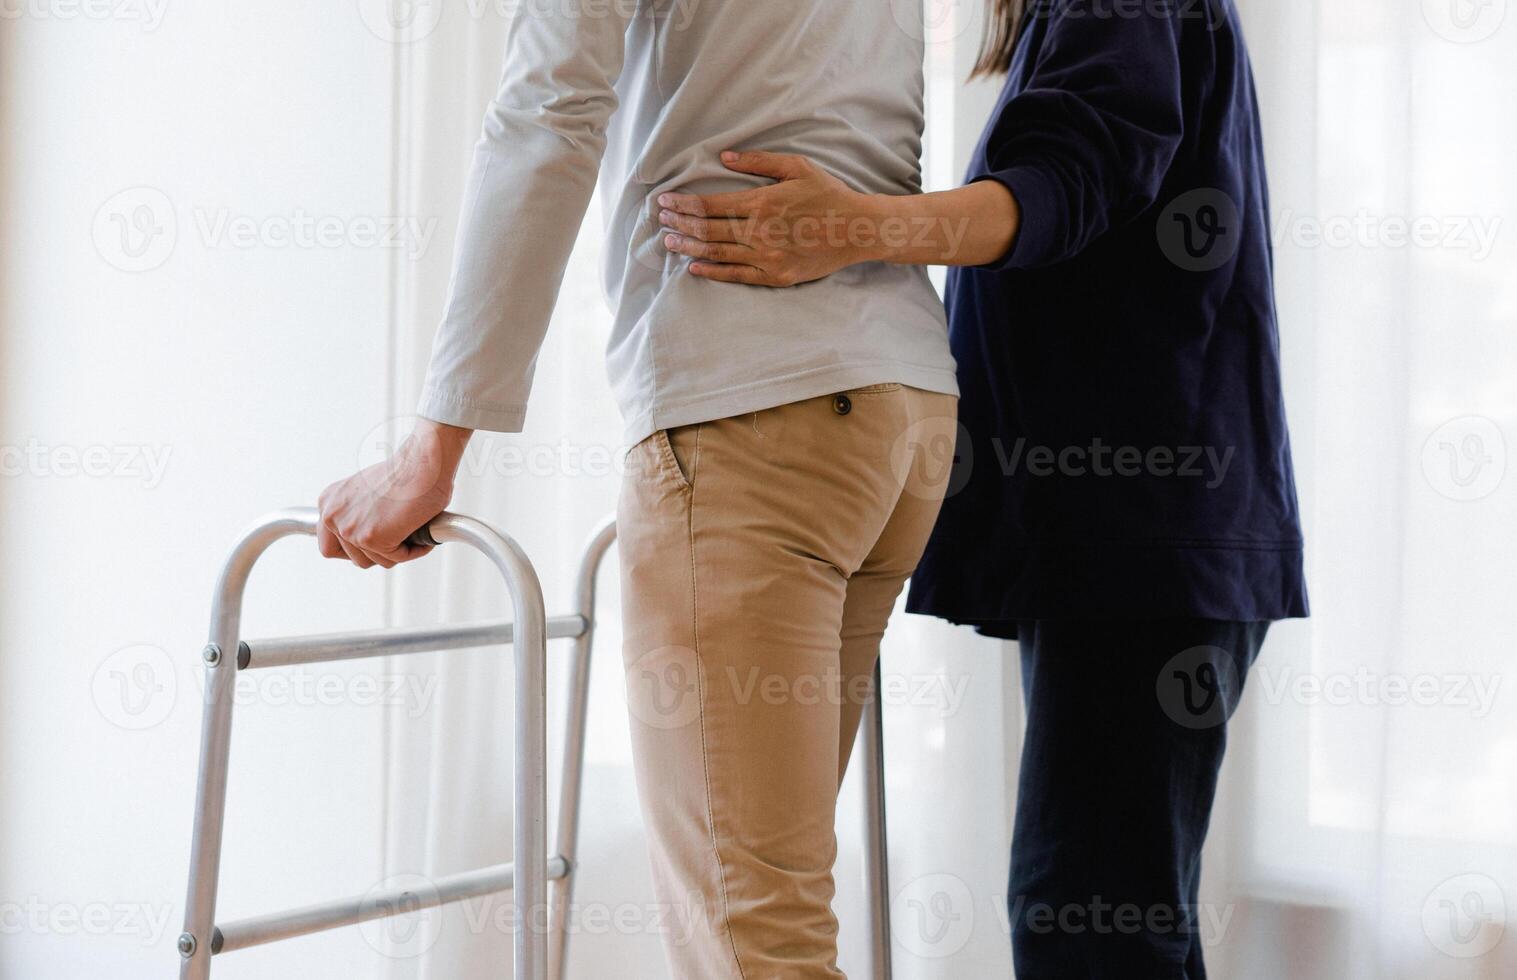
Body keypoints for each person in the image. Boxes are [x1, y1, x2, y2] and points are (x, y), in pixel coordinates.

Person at [657, 0, 1309, 976]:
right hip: (1145, 536)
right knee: (1116, 916)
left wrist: (850, 225)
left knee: (1086, 923)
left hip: (1146, 537)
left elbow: (1064, 182)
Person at [315, 2, 959, 977]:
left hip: (749, 416)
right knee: (772, 898)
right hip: (898, 413)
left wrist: (430, 451)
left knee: (755, 938)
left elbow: (547, 115)